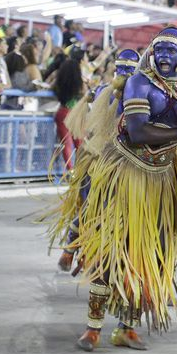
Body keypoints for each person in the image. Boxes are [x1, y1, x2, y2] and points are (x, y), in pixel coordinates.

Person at [73, 28, 177, 352]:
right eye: (161, 50)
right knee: (109, 248)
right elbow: (138, 130)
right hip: (126, 172)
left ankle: (127, 327)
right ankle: (93, 327)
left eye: (173, 51)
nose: (166, 57)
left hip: (163, 178)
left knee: (152, 255)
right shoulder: (138, 83)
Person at [50, 49, 141, 272]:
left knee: (109, 210)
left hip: (125, 162)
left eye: (130, 70)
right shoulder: (104, 92)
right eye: (122, 69)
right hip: (99, 161)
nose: (126, 73)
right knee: (91, 207)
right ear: (115, 70)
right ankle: (73, 250)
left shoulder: (140, 94)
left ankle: (103, 257)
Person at [51, 45, 86, 171]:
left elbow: (52, 87)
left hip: (62, 112)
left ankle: (70, 171)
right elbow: (85, 94)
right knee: (79, 143)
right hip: (76, 113)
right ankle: (82, 170)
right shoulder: (80, 83)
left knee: (66, 143)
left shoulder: (59, 81)